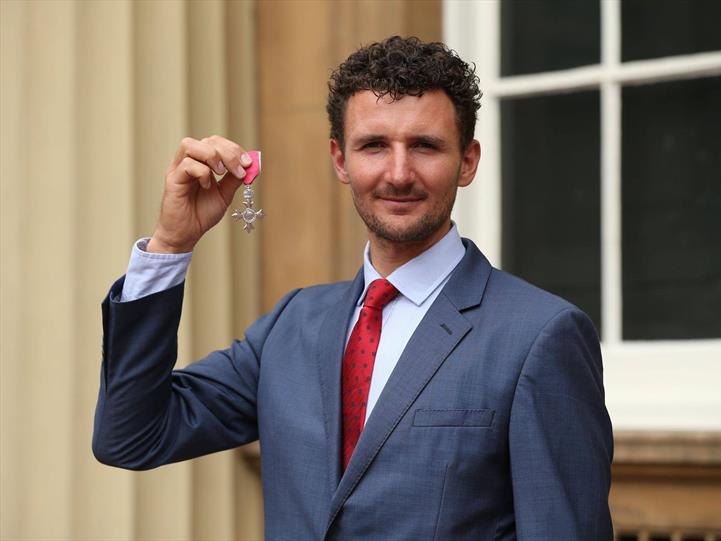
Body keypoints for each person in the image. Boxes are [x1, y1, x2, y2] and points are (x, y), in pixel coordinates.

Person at [93, 36, 613, 540]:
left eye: (426, 146)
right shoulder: (292, 325)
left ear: (468, 161)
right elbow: (132, 437)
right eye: (374, 146)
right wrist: (171, 243)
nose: (399, 173)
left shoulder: (541, 336)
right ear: (341, 160)